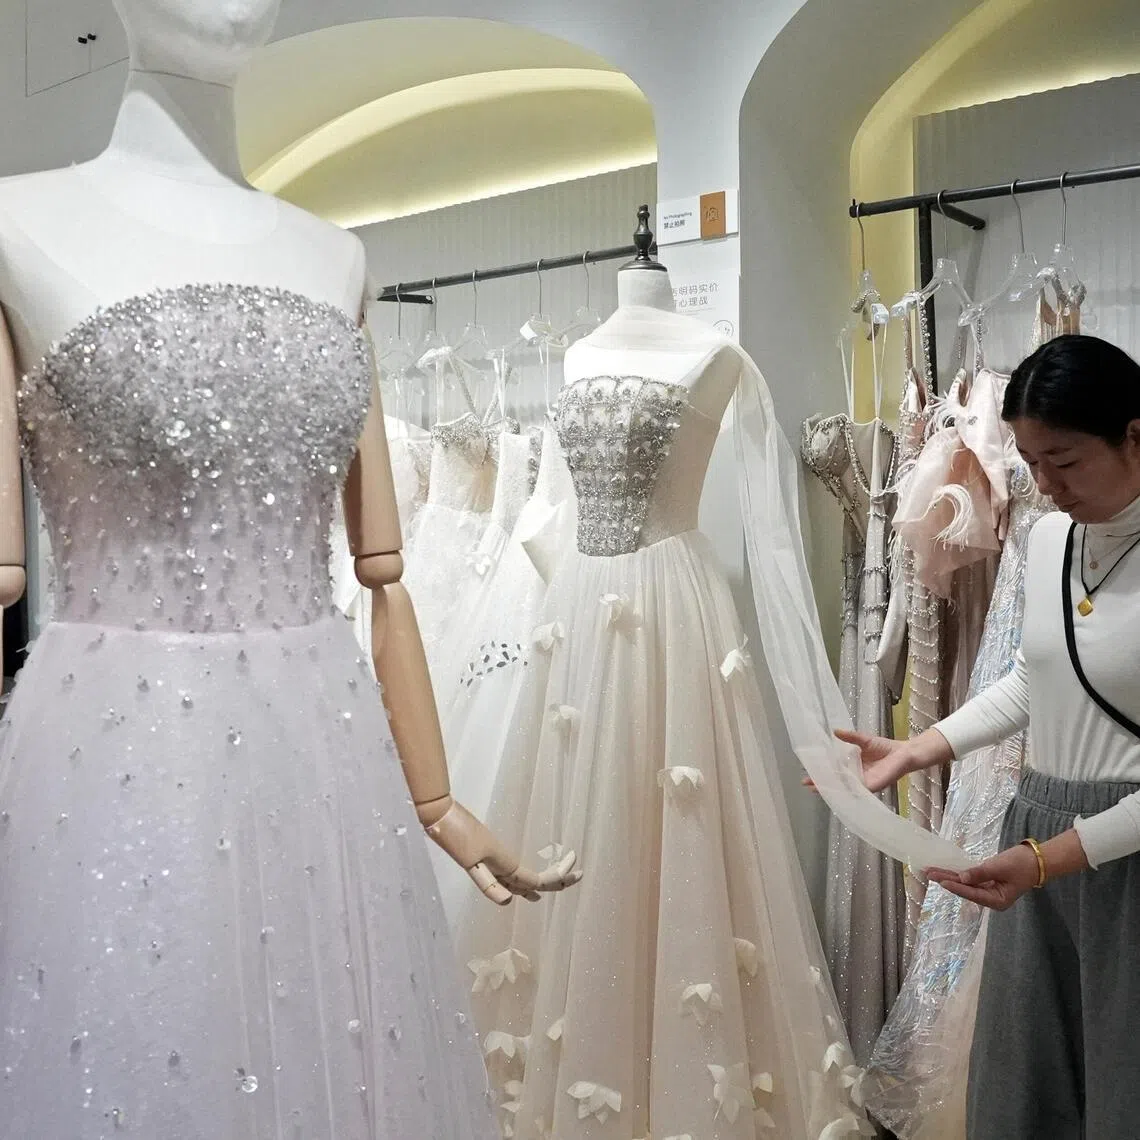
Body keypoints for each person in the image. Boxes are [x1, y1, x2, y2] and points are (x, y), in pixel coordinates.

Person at [838, 334, 1140, 1139]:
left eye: (1066, 461)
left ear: (1134, 435)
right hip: (1038, 828)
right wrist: (918, 748)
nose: (1048, 485)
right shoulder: (1050, 540)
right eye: (1032, 463)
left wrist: (1047, 859)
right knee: (1029, 1080)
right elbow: (1038, 679)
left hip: (1122, 847)